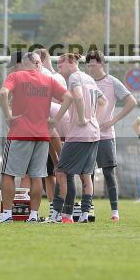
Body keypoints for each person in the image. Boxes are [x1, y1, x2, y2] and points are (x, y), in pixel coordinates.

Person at [0, 51, 71, 223]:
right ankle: (33, 215)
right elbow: (68, 97)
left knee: (8, 174)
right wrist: (55, 120)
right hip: (42, 135)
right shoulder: (49, 80)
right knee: (37, 176)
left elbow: (2, 94)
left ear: (24, 64)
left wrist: (8, 116)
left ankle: (7, 214)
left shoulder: (16, 76)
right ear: (38, 63)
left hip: (19, 134)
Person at [50, 53, 107, 223]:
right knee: (85, 174)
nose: (59, 65)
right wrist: (95, 119)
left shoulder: (75, 77)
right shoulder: (88, 78)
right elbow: (103, 101)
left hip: (79, 134)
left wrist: (82, 118)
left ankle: (59, 214)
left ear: (72, 63)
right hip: (94, 133)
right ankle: (83, 214)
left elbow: (78, 96)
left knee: (61, 171)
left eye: (62, 63)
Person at [85, 50, 137, 222]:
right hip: (86, 135)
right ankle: (88, 209)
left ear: (101, 64)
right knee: (87, 173)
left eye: (93, 64)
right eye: (89, 65)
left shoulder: (112, 82)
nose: (90, 68)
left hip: (106, 135)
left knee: (109, 173)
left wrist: (113, 120)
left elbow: (131, 102)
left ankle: (115, 211)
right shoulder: (85, 81)